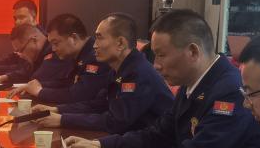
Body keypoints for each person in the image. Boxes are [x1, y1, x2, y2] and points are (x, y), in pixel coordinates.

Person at [65, 9, 260, 148]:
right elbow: (157, 134)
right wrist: (99, 145)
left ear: (193, 52)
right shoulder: (191, 82)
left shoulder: (229, 91)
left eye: (161, 55)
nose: (156, 65)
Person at [34, 13, 173, 133]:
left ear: (120, 43)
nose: (94, 45)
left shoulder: (138, 73)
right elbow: (99, 104)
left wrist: (63, 119)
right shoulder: (118, 69)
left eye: (100, 38)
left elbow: (115, 122)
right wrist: (57, 110)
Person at [16, 13, 112, 105]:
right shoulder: (78, 54)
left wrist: (40, 92)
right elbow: (67, 83)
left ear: (74, 38)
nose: (53, 49)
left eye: (56, 43)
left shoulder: (95, 57)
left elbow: (78, 95)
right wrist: (37, 85)